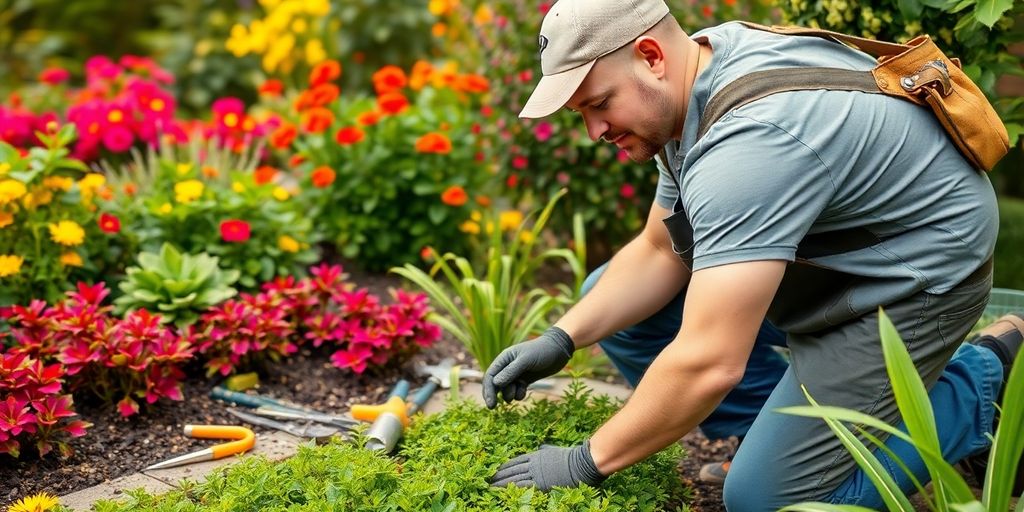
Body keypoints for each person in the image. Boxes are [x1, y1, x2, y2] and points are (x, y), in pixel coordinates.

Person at [479, 0, 1024, 509]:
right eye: (581, 112)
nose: (595, 130)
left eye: (599, 104)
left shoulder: (751, 142)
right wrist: (560, 339)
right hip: (839, 253)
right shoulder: (695, 77)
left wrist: (584, 461)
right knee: (605, 302)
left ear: (650, 56)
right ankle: (774, 431)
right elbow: (659, 250)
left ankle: (985, 376)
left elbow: (710, 361)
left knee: (767, 501)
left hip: (914, 275)